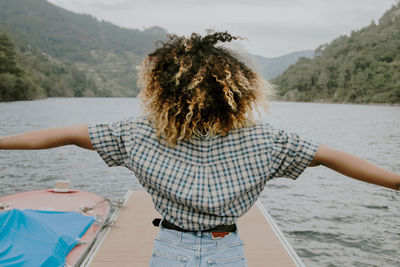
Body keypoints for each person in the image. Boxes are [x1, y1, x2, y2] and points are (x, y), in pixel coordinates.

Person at [0, 31, 399, 267]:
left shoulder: (138, 133)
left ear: (165, 90)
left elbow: (65, 134)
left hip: (171, 247)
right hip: (228, 247)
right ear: (236, 92)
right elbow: (334, 157)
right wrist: (397, 182)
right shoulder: (265, 140)